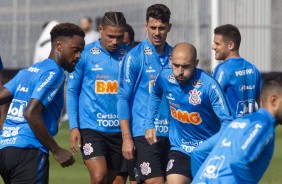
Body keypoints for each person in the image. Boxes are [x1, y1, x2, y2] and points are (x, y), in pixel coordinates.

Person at [0, 23, 85, 183]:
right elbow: (31, 113)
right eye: (75, 49)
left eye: (81, 51)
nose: (79, 55)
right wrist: (56, 149)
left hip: (5, 150)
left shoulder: (28, 71)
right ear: (59, 45)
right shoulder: (55, 72)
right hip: (28, 152)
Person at [145, 43, 233, 183]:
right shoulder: (164, 77)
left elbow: (227, 121)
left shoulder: (209, 85)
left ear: (196, 63)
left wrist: (215, 146)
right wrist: (149, 124)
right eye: (176, 65)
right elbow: (155, 94)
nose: (180, 71)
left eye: (185, 67)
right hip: (181, 149)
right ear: (170, 61)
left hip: (208, 152)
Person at [67, 12, 130, 184]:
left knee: (116, 181)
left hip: (121, 131)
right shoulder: (84, 55)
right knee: (99, 175)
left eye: (119, 37)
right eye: (110, 36)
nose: (115, 42)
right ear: (100, 29)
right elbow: (72, 92)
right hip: (92, 128)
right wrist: (74, 127)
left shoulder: (131, 56)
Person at [191, 24, 263, 176]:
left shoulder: (223, 70)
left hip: (229, 134)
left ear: (231, 45)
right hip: (248, 134)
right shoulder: (254, 69)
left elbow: (210, 101)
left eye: (217, 43)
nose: (213, 47)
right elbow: (259, 103)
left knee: (198, 156)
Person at [192, 72, 282, 183]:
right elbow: (239, 161)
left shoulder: (238, 122)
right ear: (274, 100)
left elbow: (198, 152)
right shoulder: (263, 125)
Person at [117, 4, 173, 183]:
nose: (157, 32)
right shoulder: (134, 57)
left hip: (173, 134)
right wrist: (127, 138)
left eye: (162, 28)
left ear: (169, 28)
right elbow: (122, 98)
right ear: (146, 26)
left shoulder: (176, 57)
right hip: (144, 133)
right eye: (153, 27)